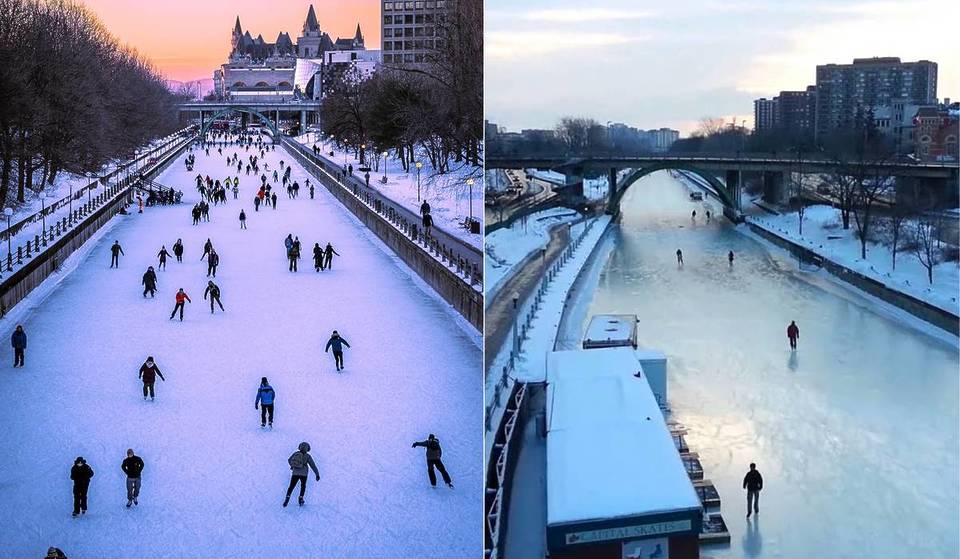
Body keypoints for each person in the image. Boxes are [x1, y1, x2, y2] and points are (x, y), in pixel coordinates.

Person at [283, 442, 320, 507]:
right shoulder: (308, 456)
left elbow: (289, 460)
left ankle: (287, 498)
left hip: (295, 472)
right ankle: (301, 498)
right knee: (303, 486)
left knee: (291, 486)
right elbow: (313, 466)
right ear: (307, 448)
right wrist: (317, 474)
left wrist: (293, 466)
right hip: (304, 474)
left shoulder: (296, 453)